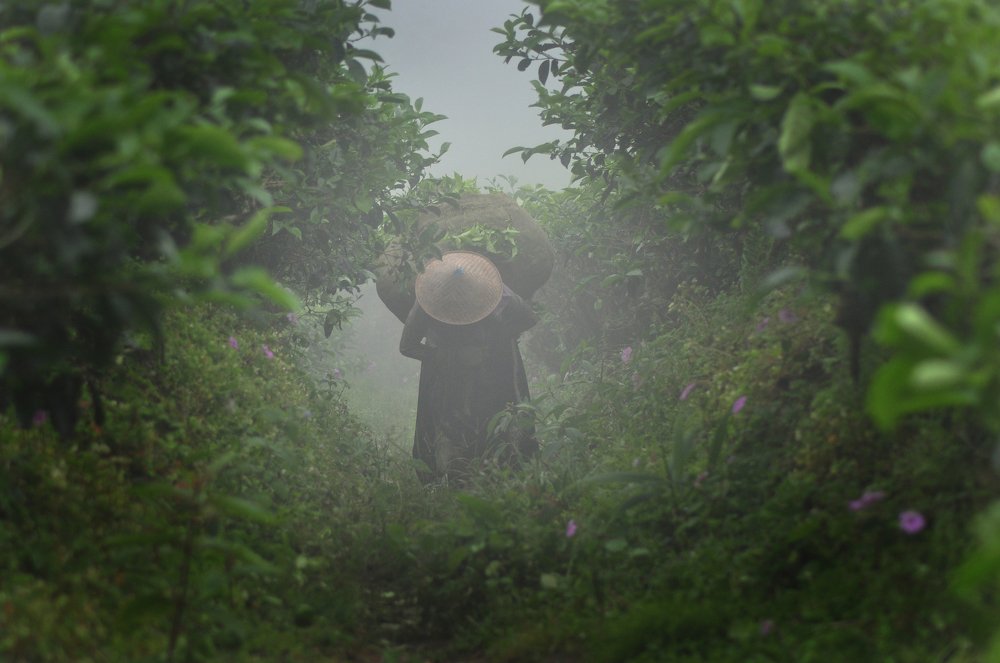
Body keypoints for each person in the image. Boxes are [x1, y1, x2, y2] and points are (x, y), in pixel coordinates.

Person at [399, 251, 539, 482]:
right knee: (451, 432)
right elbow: (407, 346)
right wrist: (449, 356)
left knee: (497, 422)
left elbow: (529, 318)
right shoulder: (428, 300)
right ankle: (453, 479)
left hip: (494, 371)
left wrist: (496, 342)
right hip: (448, 380)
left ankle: (502, 474)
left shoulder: (498, 294)